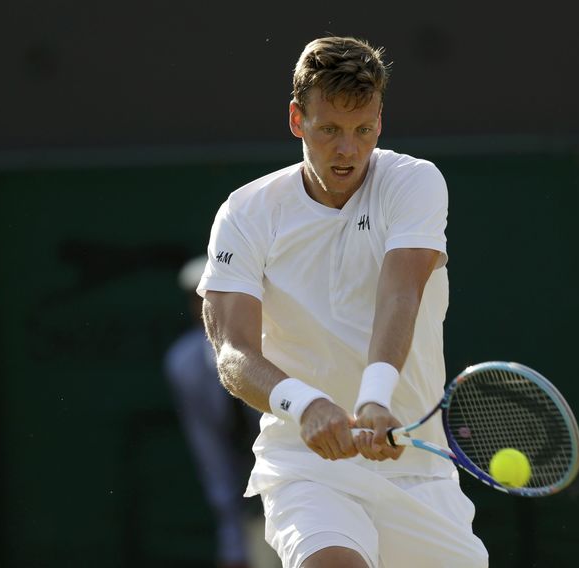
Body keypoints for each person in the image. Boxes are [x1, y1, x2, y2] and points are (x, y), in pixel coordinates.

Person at [197, 36, 488, 568]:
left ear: (381, 120)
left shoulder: (415, 183)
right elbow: (232, 352)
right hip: (307, 467)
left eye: (364, 130)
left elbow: (400, 293)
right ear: (296, 119)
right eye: (329, 129)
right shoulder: (246, 212)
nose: (348, 150)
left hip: (418, 471)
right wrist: (305, 406)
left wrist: (375, 400)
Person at [164, 254, 264, 568]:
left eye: (222, 293)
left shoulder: (277, 341)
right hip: (248, 503)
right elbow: (211, 451)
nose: (211, 305)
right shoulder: (184, 362)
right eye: (201, 298)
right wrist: (234, 541)